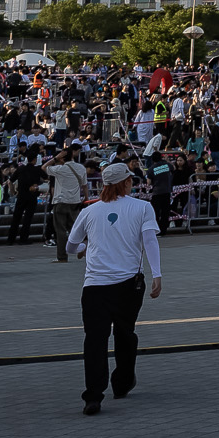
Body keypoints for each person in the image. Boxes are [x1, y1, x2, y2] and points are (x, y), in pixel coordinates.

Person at [66, 162, 161, 415]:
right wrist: (157, 274)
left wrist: (83, 249)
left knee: (95, 340)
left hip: (95, 285)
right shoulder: (142, 208)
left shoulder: (90, 211)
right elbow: (149, 241)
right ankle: (122, 382)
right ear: (127, 183)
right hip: (128, 284)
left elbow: (70, 246)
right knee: (125, 333)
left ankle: (93, 395)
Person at [44, 147, 90, 259]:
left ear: (62, 158)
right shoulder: (81, 168)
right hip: (75, 201)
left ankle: (62, 256)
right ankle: (83, 247)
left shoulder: (60, 168)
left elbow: (44, 167)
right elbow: (84, 185)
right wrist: (86, 198)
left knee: (60, 230)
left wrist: (56, 158)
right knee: (75, 227)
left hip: (61, 201)